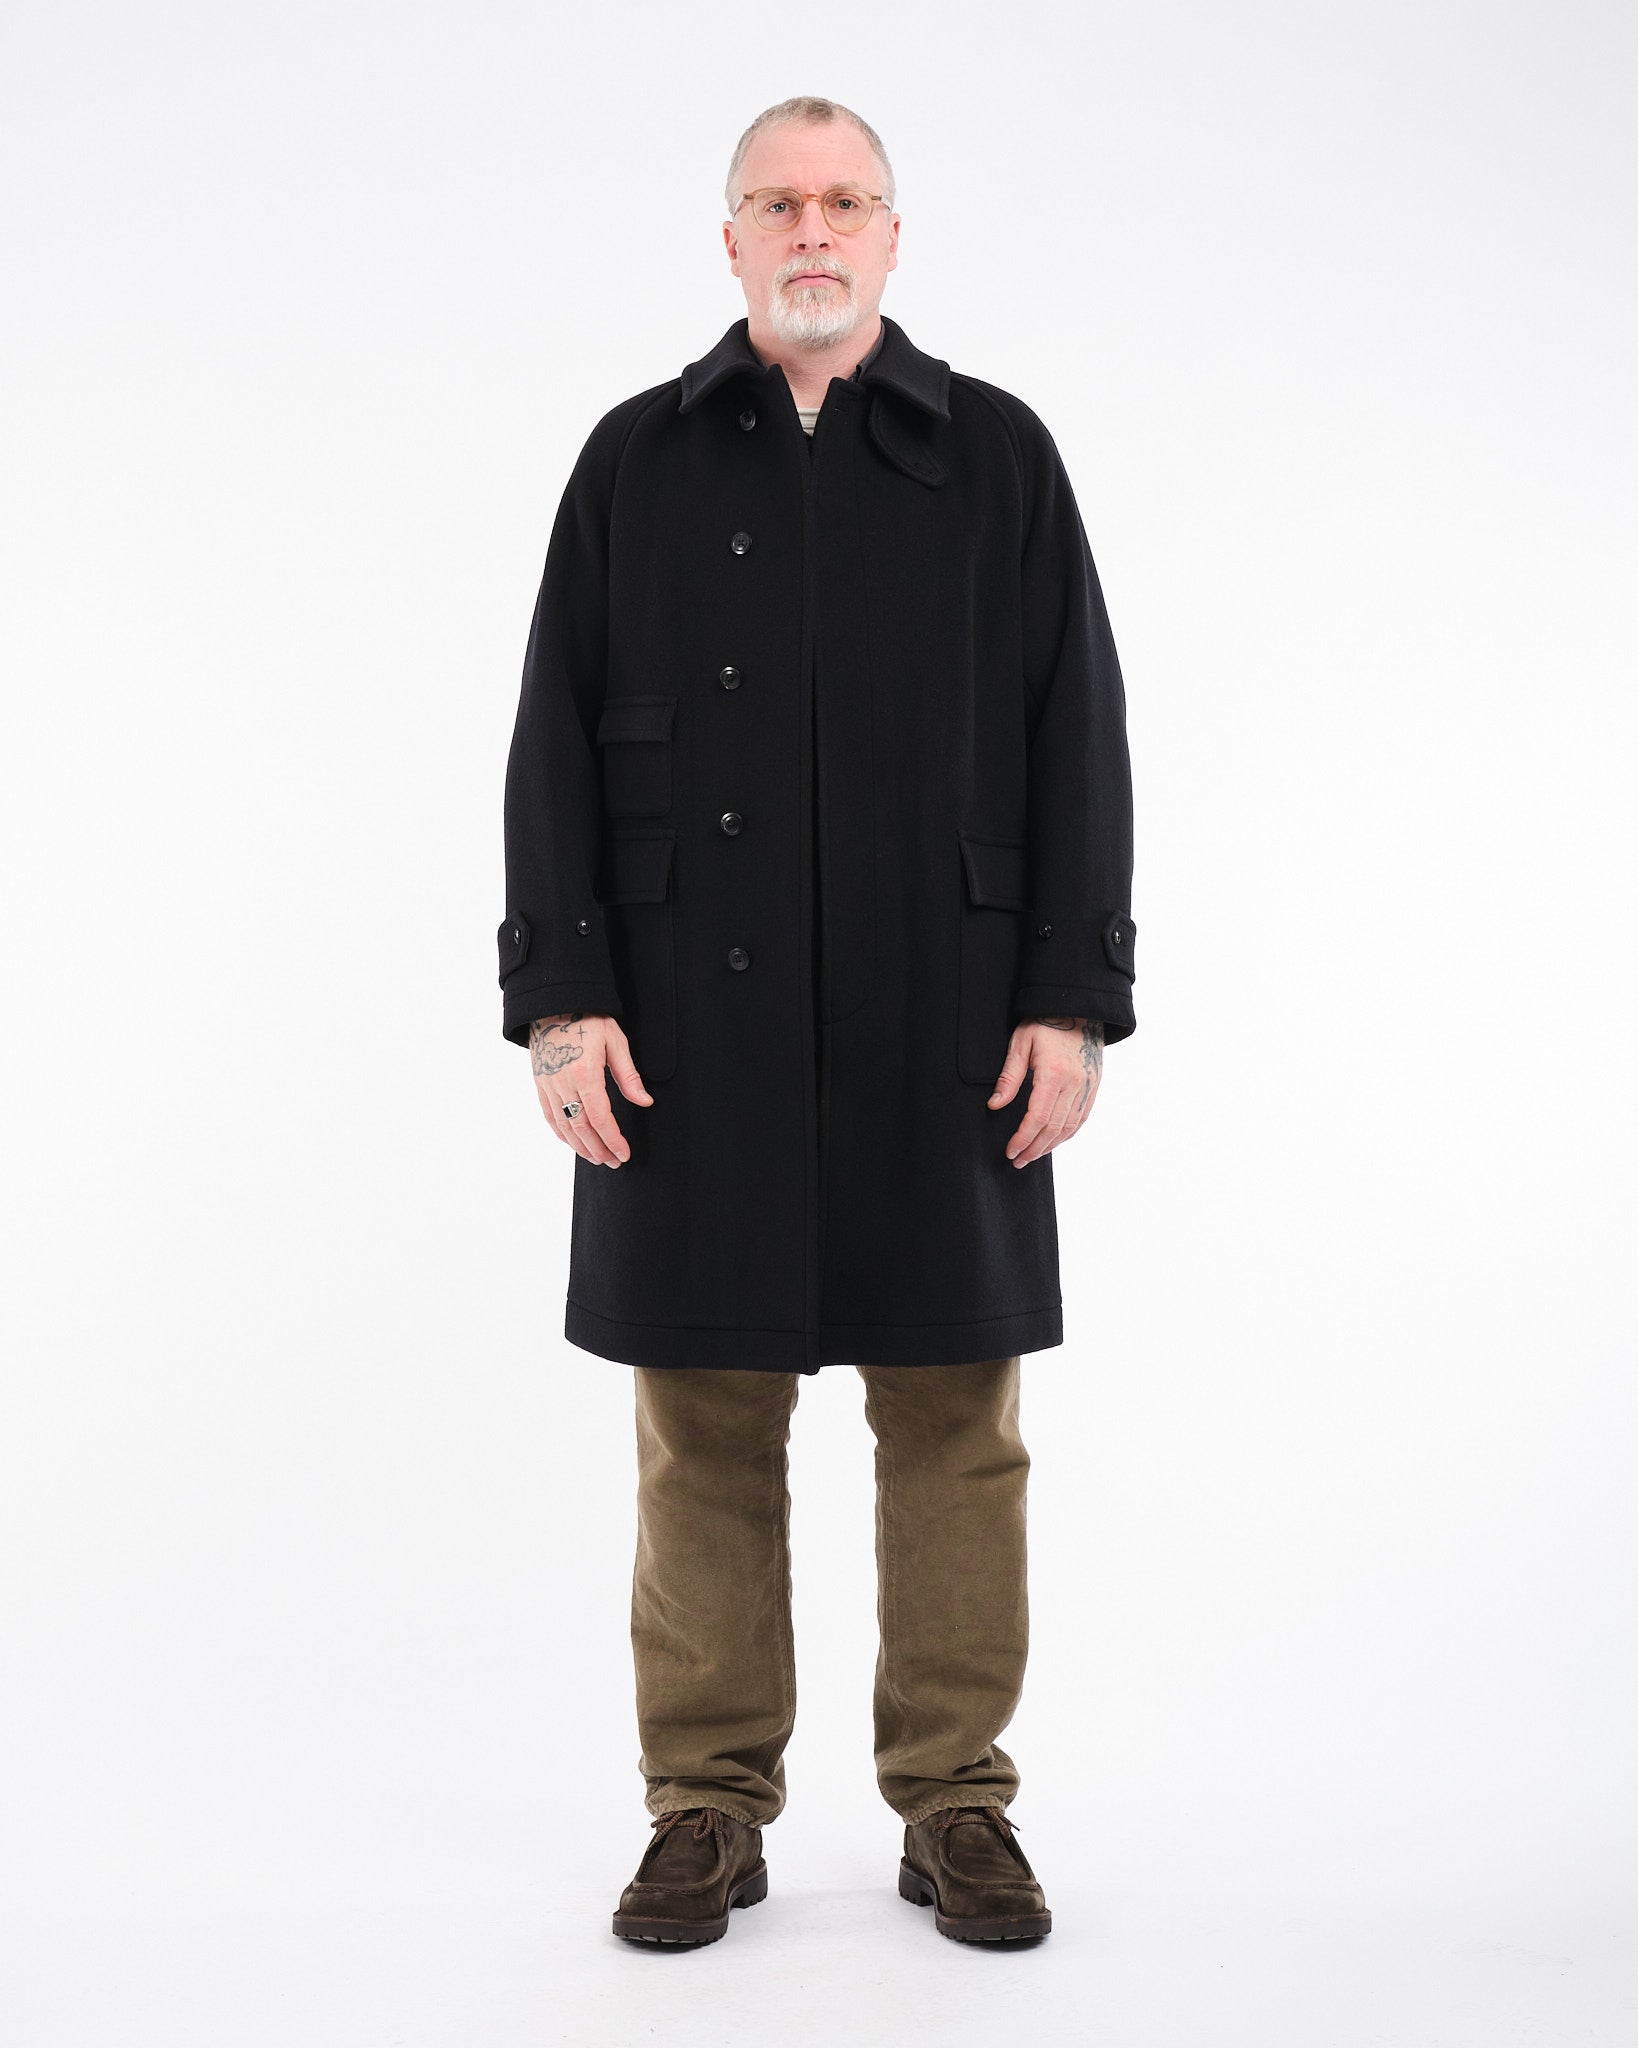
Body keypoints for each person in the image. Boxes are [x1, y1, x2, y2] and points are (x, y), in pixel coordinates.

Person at [497, 95, 1137, 1948]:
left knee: (955, 1423)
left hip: (947, 1017)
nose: (811, 228)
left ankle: (955, 1801)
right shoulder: (634, 457)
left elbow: (1076, 734)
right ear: (728, 239)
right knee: (703, 1426)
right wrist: (561, 998)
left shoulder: (996, 453)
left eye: (845, 199)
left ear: (890, 234)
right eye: (776, 201)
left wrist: (1070, 998)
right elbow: (550, 742)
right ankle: (704, 1805)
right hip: (683, 1027)